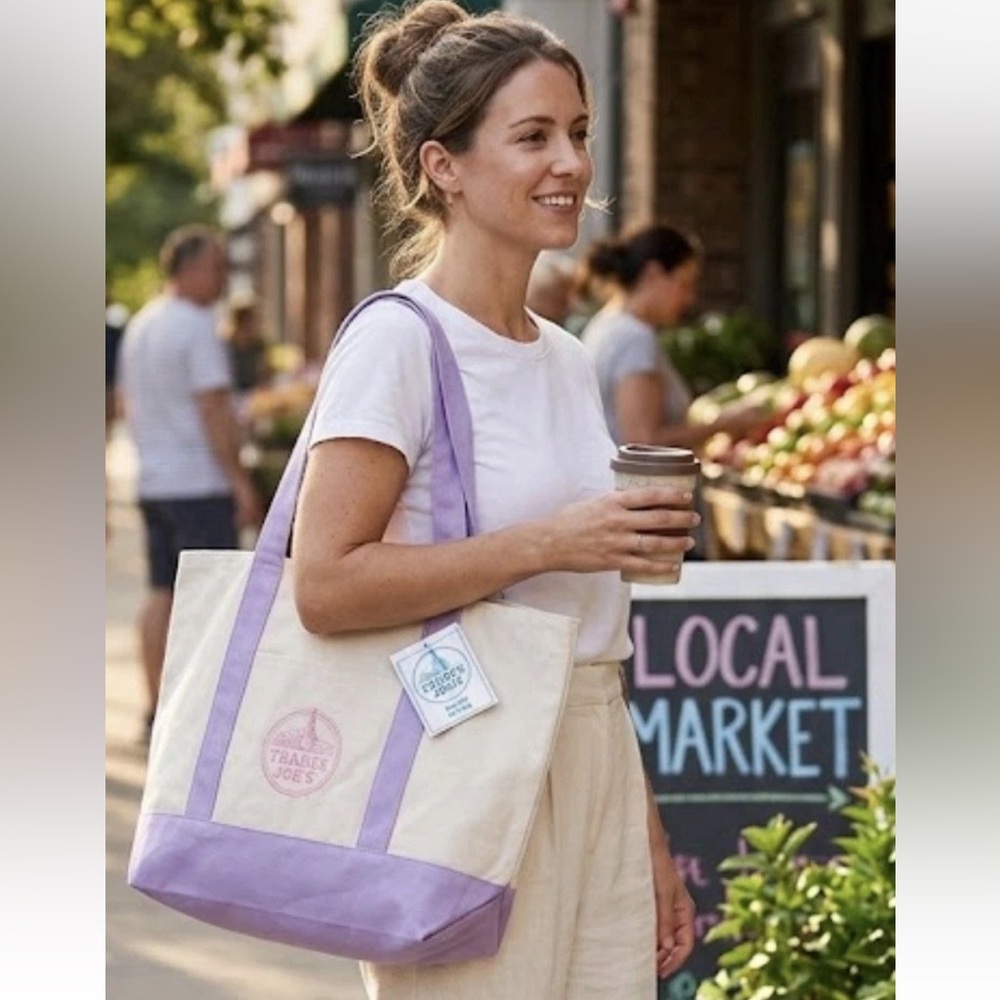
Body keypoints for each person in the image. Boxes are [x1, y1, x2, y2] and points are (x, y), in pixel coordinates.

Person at [290, 3, 696, 997]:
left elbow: (586, 637)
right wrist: (553, 539)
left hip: (590, 757)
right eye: (533, 137)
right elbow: (325, 584)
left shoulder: (563, 358)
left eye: (578, 134)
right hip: (461, 762)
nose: (569, 163)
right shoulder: (397, 340)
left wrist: (641, 834)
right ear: (443, 167)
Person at [118, 224, 261, 740]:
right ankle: (195, 718)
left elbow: (124, 403)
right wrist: (240, 483)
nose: (223, 280)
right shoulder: (198, 327)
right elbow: (213, 411)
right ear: (193, 269)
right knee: (211, 602)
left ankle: (156, 707)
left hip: (155, 480)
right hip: (199, 483)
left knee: (161, 593)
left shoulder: (142, 325)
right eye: (219, 268)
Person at [579, 223, 767, 448]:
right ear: (653, 273)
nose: (690, 298)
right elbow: (643, 442)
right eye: (684, 284)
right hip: (637, 482)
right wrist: (722, 424)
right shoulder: (634, 338)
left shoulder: (607, 323)